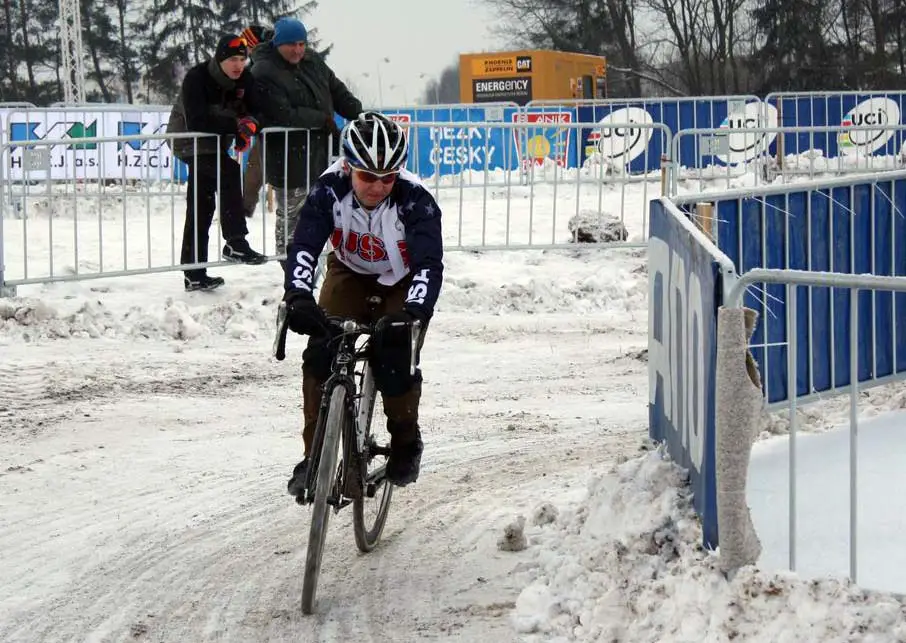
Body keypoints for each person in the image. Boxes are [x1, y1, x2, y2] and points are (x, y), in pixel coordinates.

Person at [281, 112, 443, 497]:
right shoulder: (328, 189)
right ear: (348, 166)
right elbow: (304, 246)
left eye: (387, 177)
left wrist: (414, 313)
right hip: (348, 271)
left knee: (394, 353)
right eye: (367, 176)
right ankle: (313, 456)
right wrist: (298, 294)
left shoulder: (416, 199)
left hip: (401, 279)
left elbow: (429, 265)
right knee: (321, 349)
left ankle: (406, 440)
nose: (377, 186)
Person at [250, 16, 363, 265]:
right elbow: (282, 113)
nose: (298, 50)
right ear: (277, 44)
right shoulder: (263, 71)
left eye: (302, 43)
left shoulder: (311, 61)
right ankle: (291, 268)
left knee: (322, 214)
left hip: (320, 155)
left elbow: (336, 89)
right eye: (292, 44)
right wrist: (322, 119)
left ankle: (316, 264)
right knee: (292, 220)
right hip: (288, 159)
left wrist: (359, 112)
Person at [167, 33, 267, 291]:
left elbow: (257, 109)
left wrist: (251, 125)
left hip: (217, 142)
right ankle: (235, 240)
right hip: (189, 140)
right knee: (230, 170)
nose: (238, 65)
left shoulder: (245, 78)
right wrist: (237, 126)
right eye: (232, 59)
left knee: (201, 205)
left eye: (242, 59)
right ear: (220, 59)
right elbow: (197, 121)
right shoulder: (197, 78)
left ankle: (194, 272)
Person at [238, 24, 274, 218]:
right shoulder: (257, 65)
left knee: (256, 166)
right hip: (267, 125)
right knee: (255, 165)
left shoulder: (260, 67)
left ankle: (245, 207)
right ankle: (245, 205)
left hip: (271, 125)